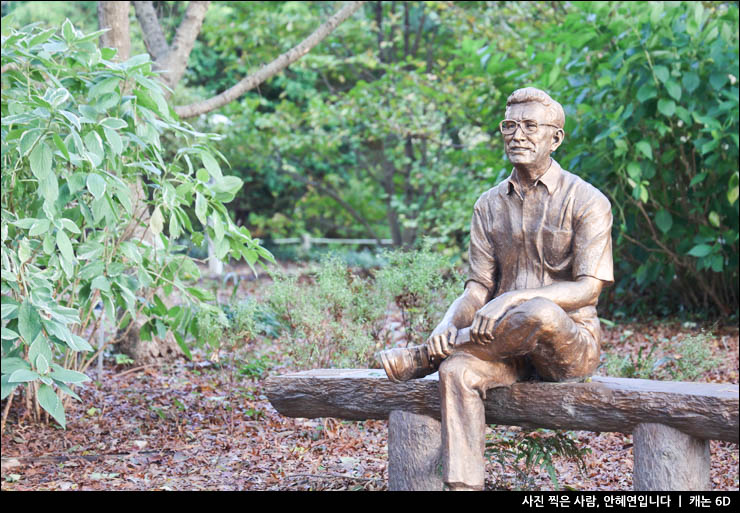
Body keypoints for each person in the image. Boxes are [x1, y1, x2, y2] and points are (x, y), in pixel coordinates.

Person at [423, 87, 613, 490]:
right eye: (509, 125)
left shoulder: (587, 200)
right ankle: (463, 487)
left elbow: (588, 291)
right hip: (500, 346)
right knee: (456, 370)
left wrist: (515, 297)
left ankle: (420, 357)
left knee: (539, 311)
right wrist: (443, 325)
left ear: (555, 138)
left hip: (568, 344)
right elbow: (477, 289)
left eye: (530, 125)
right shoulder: (488, 205)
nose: (517, 135)